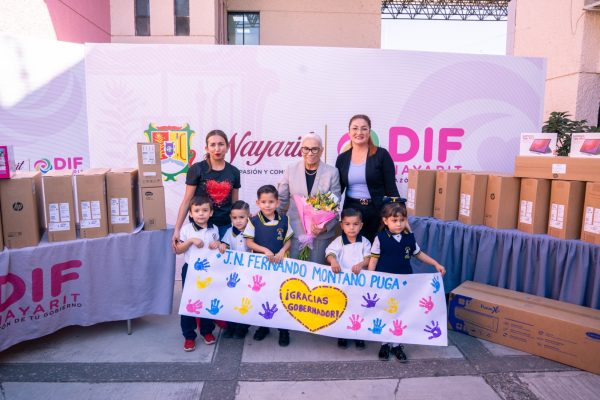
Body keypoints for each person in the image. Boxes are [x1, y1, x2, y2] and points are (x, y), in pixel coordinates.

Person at [368, 199, 446, 361]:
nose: (398, 224)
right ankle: (384, 344)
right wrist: (370, 279)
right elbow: (373, 260)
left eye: (402, 220)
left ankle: (397, 345)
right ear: (385, 221)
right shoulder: (380, 238)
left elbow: (418, 254)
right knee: (385, 311)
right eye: (394, 220)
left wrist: (435, 264)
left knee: (400, 311)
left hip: (404, 283)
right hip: (385, 283)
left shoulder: (409, 238)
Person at [278, 133, 341, 265]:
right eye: (306, 149)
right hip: (295, 232)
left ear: (321, 150)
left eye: (315, 149)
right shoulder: (290, 169)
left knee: (317, 274)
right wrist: (266, 218)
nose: (310, 153)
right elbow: (282, 200)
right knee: (294, 272)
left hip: (320, 235)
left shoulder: (332, 172)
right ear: (301, 150)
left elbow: (335, 204)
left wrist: (324, 228)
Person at [172, 130, 241, 249]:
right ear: (207, 148)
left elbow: (235, 204)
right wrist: (177, 229)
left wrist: (240, 225)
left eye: (221, 144)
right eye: (212, 145)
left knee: (223, 260)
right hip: (200, 227)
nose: (217, 149)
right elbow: (187, 201)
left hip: (224, 227)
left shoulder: (234, 172)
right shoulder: (197, 169)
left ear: (227, 147)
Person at [335, 115, 400, 242]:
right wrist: (323, 209)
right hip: (351, 213)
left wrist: (399, 214)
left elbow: (391, 188)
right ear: (349, 132)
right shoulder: (342, 158)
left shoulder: (382, 155)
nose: (359, 132)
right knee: (352, 249)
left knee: (376, 250)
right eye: (355, 128)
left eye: (364, 128)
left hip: (377, 211)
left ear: (369, 132)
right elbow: (338, 189)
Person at [244, 185, 294, 346]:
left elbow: (288, 240)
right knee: (262, 297)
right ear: (258, 203)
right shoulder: (253, 221)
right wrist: (264, 250)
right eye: (264, 202)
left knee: (280, 297)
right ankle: (263, 326)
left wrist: (282, 251)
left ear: (277, 202)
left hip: (280, 265)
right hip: (261, 267)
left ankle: (283, 330)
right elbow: (249, 242)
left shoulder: (284, 220)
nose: (267, 205)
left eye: (271, 202)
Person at [174, 195, 221, 352]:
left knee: (207, 299)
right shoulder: (186, 230)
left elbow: (218, 248)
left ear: (211, 213)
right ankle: (189, 336)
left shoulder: (214, 229)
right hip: (191, 270)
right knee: (189, 302)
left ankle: (207, 331)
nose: (201, 213)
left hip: (209, 271)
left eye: (205, 210)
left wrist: (218, 243)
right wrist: (190, 241)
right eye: (197, 210)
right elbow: (178, 250)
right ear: (191, 213)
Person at [325, 208, 371, 349]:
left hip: (359, 283)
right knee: (343, 308)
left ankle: (358, 336)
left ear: (361, 225)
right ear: (342, 225)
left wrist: (361, 264)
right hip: (343, 283)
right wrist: (333, 261)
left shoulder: (365, 242)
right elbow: (329, 253)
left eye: (355, 224)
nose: (351, 228)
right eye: (347, 224)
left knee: (359, 309)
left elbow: (368, 258)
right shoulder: (339, 241)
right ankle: (343, 334)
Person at [219, 200, 251, 339]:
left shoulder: (253, 231)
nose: (238, 221)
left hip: (248, 273)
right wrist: (222, 246)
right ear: (231, 218)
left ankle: (242, 327)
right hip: (233, 274)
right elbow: (225, 246)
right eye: (235, 218)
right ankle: (230, 326)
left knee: (245, 300)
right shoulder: (229, 232)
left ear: (248, 216)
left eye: (242, 217)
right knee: (231, 299)